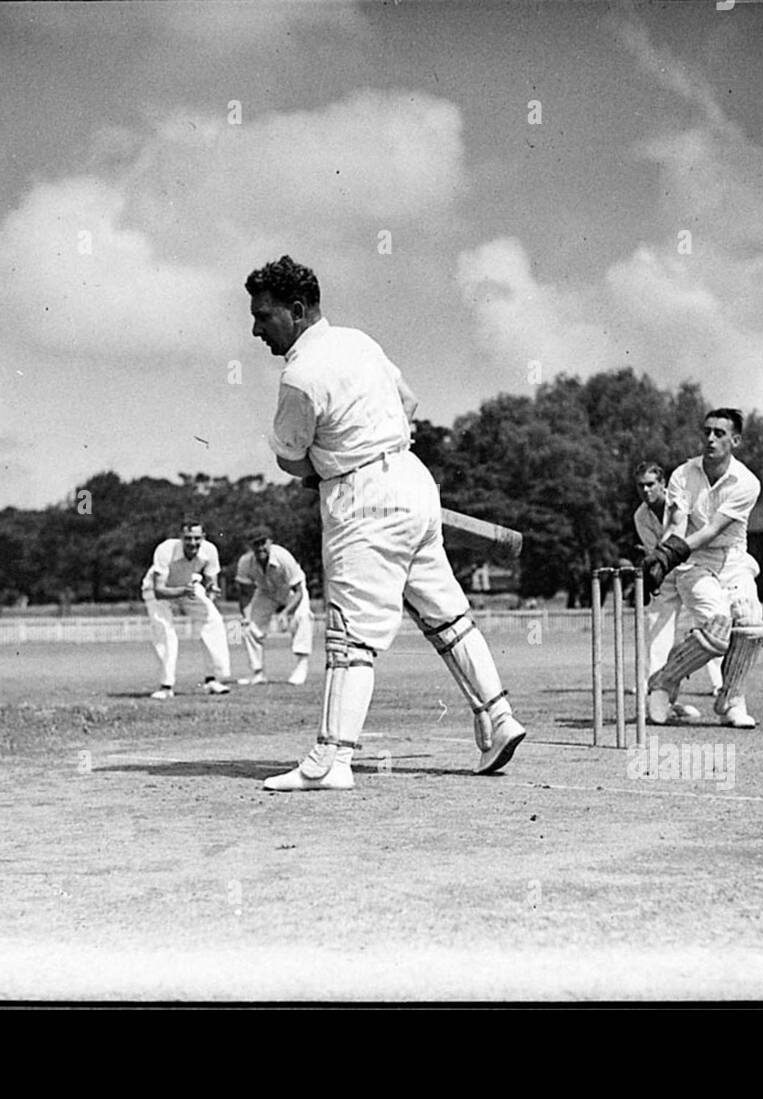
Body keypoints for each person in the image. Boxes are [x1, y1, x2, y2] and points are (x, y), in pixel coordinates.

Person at [246, 255, 526, 791]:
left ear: (298, 310)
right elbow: (410, 402)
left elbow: (290, 458)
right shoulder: (360, 341)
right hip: (413, 482)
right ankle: (497, 717)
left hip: (361, 499)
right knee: (448, 616)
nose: (257, 329)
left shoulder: (301, 375)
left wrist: (337, 465)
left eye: (264, 316)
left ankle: (332, 761)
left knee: (350, 639)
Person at [641, 410, 763, 728]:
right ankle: (664, 681)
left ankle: (731, 699)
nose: (710, 438)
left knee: (750, 622)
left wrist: (670, 553)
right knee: (717, 625)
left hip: (733, 559)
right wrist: (660, 556)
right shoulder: (683, 475)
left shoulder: (747, 483)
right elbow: (678, 524)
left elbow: (712, 530)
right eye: (707, 431)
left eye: (719, 434)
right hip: (695, 564)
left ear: (735, 440)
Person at [632, 460, 724, 718]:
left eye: (651, 484)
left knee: (714, 625)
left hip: (697, 568)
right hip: (668, 575)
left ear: (662, 483)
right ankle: (659, 701)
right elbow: (656, 553)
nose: (646, 491)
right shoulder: (641, 516)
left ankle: (723, 690)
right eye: (641, 486)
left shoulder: (682, 500)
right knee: (657, 638)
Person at [140, 520, 231, 697]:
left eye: (197, 538)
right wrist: (182, 591)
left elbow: (212, 580)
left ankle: (213, 679)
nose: (192, 543)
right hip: (157, 589)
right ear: (181, 538)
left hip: (187, 586)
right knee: (166, 632)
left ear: (203, 537)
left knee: (213, 621)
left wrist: (211, 587)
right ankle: (166, 687)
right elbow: (159, 591)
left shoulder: (210, 550)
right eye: (188, 538)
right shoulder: (166, 550)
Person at [234, 526, 313, 686]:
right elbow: (243, 593)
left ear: (270, 542)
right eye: (256, 544)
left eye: (263, 543)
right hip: (266, 591)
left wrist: (284, 613)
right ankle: (258, 673)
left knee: (303, 616)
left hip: (291, 590)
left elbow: (298, 591)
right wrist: (246, 617)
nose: (260, 548)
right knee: (249, 626)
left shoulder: (283, 557)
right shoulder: (245, 562)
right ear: (250, 546)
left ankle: (301, 666)